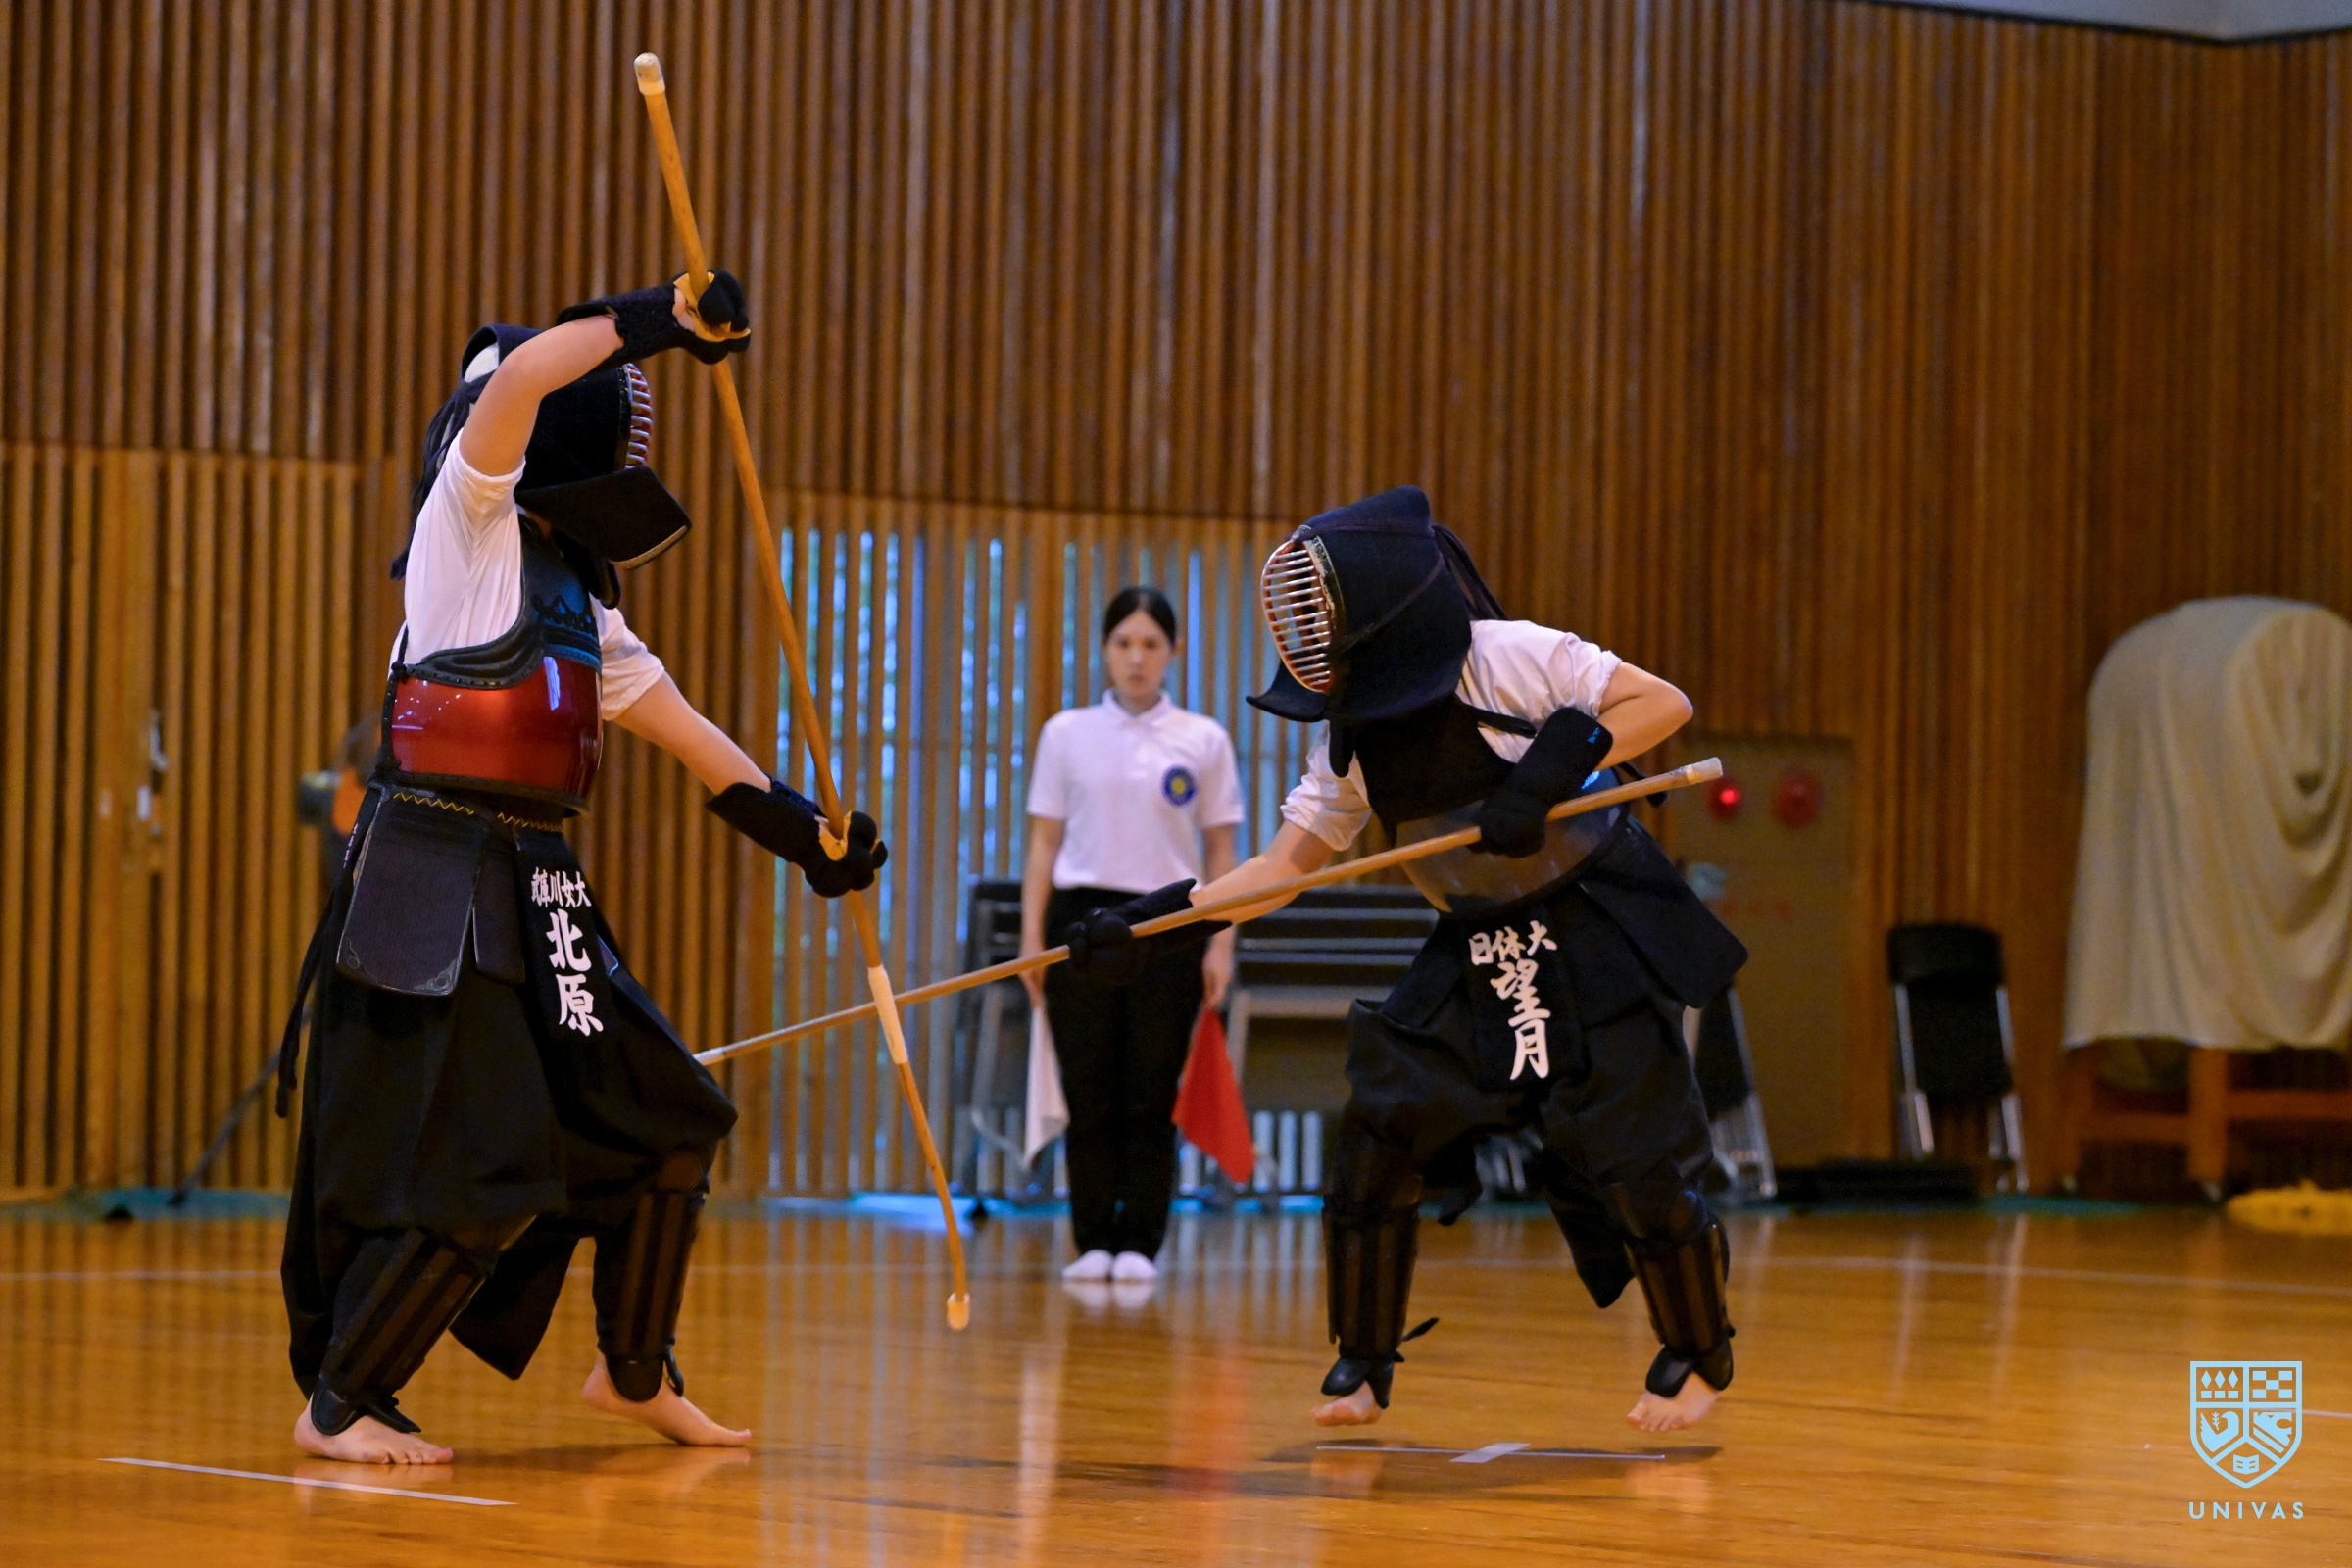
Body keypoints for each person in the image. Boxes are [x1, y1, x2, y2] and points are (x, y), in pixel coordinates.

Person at [273, 269, 888, 1465]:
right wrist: (662, 316)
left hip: (540, 890)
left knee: (671, 1118)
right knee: (495, 1162)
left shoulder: (582, 607)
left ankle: (635, 1369)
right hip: (433, 885)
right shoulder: (465, 533)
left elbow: (703, 748)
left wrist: (815, 839)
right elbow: (518, 381)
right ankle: (343, 1398)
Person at [1058, 488, 1746, 1433]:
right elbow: (1279, 869)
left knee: (1640, 1159)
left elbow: (1661, 703)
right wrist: (1149, 924)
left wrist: (1547, 773)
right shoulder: (1352, 737)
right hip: (1477, 943)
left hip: (1595, 928)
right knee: (1380, 1132)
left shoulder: (1505, 656)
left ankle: (1700, 1351)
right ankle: (1364, 1363)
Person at [1020, 587, 1245, 1287]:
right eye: (1124, 643)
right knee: (1088, 1085)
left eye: (1150, 644)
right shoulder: (1066, 733)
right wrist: (1031, 939)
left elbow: (1222, 852)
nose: (1137, 658)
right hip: (1082, 921)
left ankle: (1141, 1242)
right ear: (1104, 650)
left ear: (1173, 651)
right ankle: (1092, 1238)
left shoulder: (1204, 739)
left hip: (1172, 923)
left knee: (1152, 1087)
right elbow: (1044, 842)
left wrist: (1221, 943)